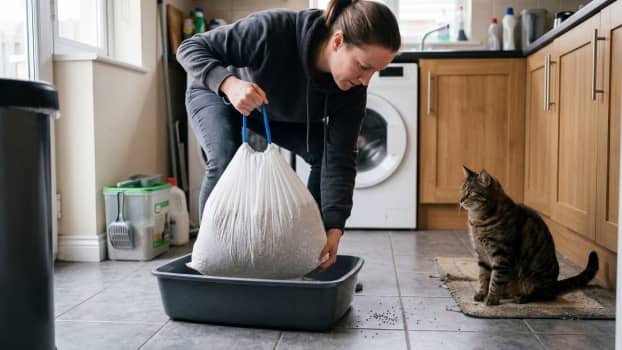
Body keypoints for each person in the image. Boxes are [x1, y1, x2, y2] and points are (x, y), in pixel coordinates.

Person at [177, 0, 401, 271]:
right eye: (363, 66)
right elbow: (190, 47)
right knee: (225, 155)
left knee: (324, 151)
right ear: (338, 41)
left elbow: (340, 157)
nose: (366, 80)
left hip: (270, 111)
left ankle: (306, 250)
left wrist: (333, 228)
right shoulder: (273, 30)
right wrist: (229, 84)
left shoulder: (352, 90)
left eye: (375, 72)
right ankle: (210, 260)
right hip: (218, 92)